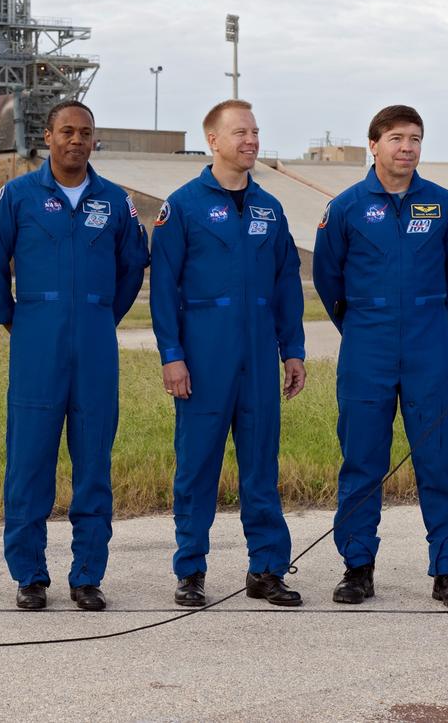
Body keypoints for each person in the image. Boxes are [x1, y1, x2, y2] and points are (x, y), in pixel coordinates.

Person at [0, 100, 148, 611]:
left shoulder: (115, 201)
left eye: (86, 132)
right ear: (47, 136)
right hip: (36, 343)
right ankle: (29, 575)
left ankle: (87, 576)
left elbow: (131, 269)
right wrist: (14, 320)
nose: (76, 139)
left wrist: (100, 317)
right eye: (66, 131)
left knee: (94, 463)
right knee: (29, 463)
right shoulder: (18, 195)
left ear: (95, 140)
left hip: (94, 344)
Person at [312, 104, 448, 609]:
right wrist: (365, 323)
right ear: (374, 144)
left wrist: (424, 314)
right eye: (397, 138)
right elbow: (328, 279)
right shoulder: (345, 208)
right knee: (361, 458)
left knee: (439, 458)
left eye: (415, 139)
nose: (406, 147)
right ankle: (357, 567)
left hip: (428, 343)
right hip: (367, 343)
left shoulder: (444, 205)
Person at [150, 98, 306, 608]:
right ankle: (190, 570)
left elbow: (286, 283)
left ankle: (266, 569)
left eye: (255, 132)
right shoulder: (183, 206)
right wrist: (172, 355)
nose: (251, 141)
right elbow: (163, 288)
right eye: (239, 132)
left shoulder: (269, 208)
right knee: (197, 468)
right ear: (212, 140)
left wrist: (294, 350)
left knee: (261, 466)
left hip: (259, 356)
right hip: (203, 355)